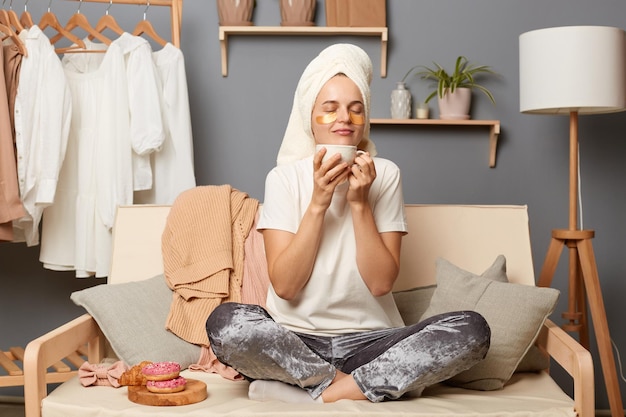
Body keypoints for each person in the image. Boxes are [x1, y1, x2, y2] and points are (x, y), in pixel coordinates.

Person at [206, 43, 490, 403]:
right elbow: (287, 286)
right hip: (296, 339)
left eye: (356, 110)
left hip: (372, 341)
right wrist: (318, 204)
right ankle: (367, 385)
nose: (344, 119)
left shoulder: (384, 175)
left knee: (472, 330)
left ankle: (316, 392)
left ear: (365, 118)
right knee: (226, 323)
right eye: (330, 109)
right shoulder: (284, 179)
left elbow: (380, 282)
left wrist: (359, 204)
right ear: (310, 117)